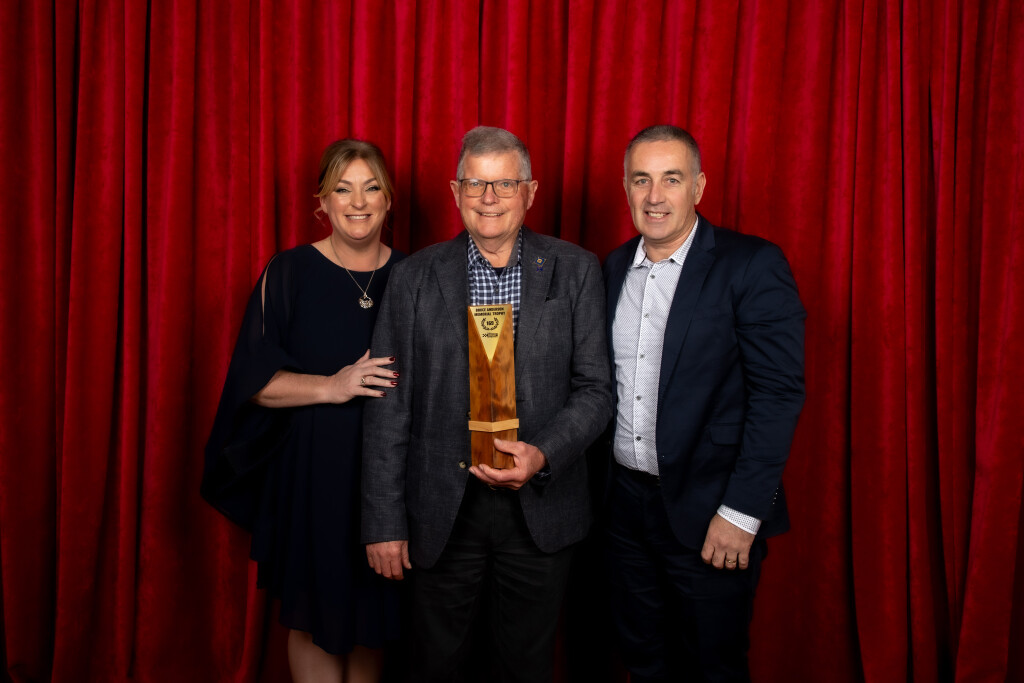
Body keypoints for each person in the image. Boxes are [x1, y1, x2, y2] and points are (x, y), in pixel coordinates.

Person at [361, 126, 613, 682]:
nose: (489, 198)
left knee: (525, 667)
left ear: (531, 192)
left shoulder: (575, 269)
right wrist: (383, 522)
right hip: (441, 509)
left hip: (540, 505)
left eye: (505, 184)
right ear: (456, 192)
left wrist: (542, 454)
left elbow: (596, 389)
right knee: (434, 666)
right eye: (476, 183)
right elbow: (387, 408)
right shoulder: (413, 278)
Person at [602, 125, 805, 682]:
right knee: (641, 662)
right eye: (641, 179)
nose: (654, 196)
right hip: (624, 513)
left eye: (672, 179)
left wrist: (742, 512)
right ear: (625, 188)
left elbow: (778, 395)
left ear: (699, 186)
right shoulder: (613, 268)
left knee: (712, 668)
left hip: (712, 510)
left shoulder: (751, 264)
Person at [201, 139, 404, 683]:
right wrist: (333, 385)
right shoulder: (290, 271)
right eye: (342, 188)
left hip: (387, 483)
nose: (357, 202)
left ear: (388, 199)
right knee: (316, 618)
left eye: (371, 188)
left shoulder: (413, 275)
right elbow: (253, 382)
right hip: (313, 477)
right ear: (322, 202)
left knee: (371, 618)